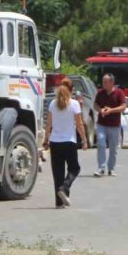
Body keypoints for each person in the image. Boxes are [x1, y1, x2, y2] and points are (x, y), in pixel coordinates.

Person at [44, 78, 87, 208]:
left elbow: (49, 124)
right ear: (71, 90)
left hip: (55, 142)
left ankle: (59, 202)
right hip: (69, 142)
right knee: (74, 168)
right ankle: (64, 188)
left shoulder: (53, 103)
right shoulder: (74, 104)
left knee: (58, 172)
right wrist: (84, 140)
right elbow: (79, 124)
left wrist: (46, 139)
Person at [94, 73, 126, 177]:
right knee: (101, 144)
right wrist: (101, 110)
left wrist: (111, 110)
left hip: (114, 125)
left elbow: (123, 107)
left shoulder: (119, 93)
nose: (103, 83)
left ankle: (111, 168)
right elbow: (95, 105)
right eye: (103, 81)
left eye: (105, 82)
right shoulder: (100, 93)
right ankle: (101, 168)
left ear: (112, 82)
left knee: (113, 148)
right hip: (101, 124)